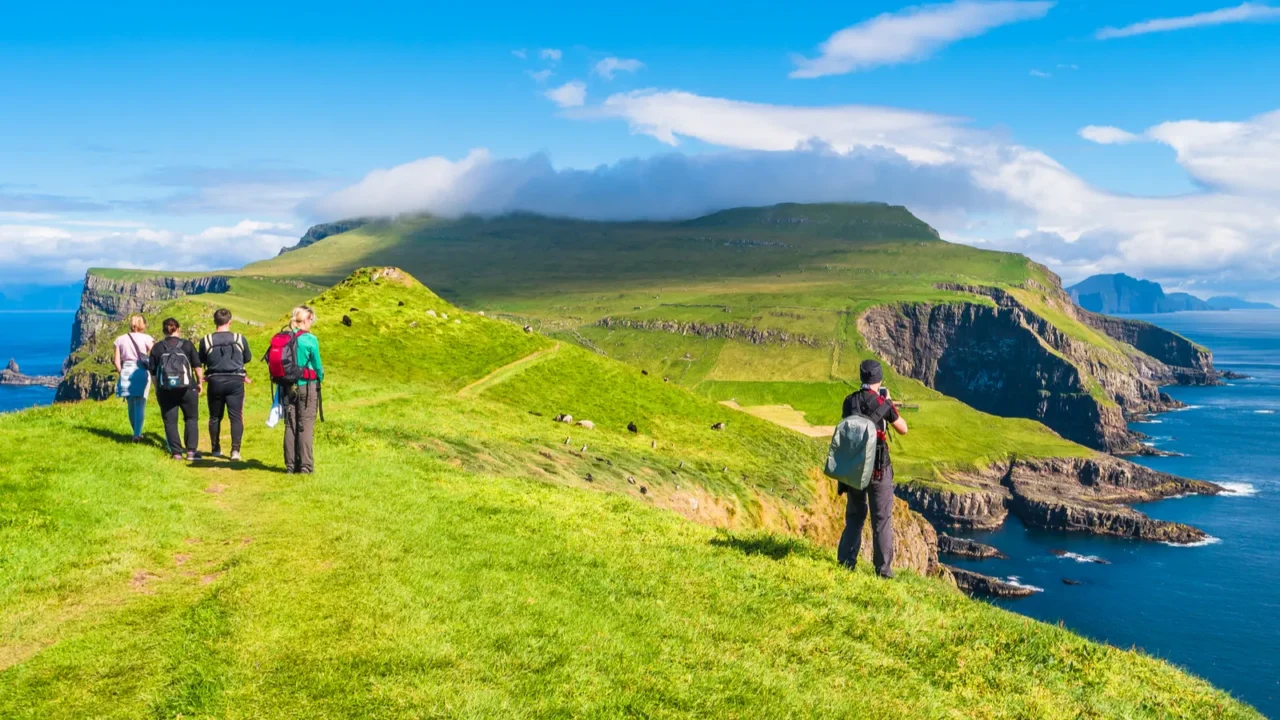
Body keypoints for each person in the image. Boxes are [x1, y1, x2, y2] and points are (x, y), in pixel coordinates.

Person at [837, 359, 909, 578]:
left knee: (855, 516)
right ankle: (883, 571)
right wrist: (888, 404)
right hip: (879, 469)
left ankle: (846, 562)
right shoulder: (883, 403)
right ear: (880, 379)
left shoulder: (849, 401)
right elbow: (903, 429)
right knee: (881, 520)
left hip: (855, 468)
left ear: (862, 378)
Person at [199, 308, 252, 461]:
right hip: (236, 381)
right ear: (230, 321)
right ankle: (235, 451)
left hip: (215, 381)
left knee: (215, 416)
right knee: (236, 417)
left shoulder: (206, 340)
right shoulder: (239, 338)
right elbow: (247, 358)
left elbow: (201, 359)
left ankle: (215, 448)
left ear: (215, 321)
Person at [149, 317, 202, 461]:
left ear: (163, 330)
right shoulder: (187, 345)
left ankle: (176, 453)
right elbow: (197, 366)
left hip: (166, 390)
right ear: (178, 329)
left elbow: (153, 372)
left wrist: (157, 388)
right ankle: (191, 452)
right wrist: (199, 383)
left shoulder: (157, 348)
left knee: (170, 421)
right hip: (187, 388)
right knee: (191, 419)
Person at [283, 305, 324, 474]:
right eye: (311, 319)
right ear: (305, 320)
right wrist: (320, 377)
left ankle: (291, 465)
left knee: (291, 424)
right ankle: (306, 466)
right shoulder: (310, 339)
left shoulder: (285, 338)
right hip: (306, 386)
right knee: (306, 425)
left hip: (288, 386)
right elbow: (318, 366)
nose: (312, 323)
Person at [112, 315, 155, 442]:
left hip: (126, 371)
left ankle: (135, 431)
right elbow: (154, 355)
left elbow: (116, 361)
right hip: (140, 371)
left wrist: (122, 372)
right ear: (142, 325)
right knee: (140, 403)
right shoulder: (147, 338)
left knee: (130, 404)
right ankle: (137, 434)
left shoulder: (119, 339)